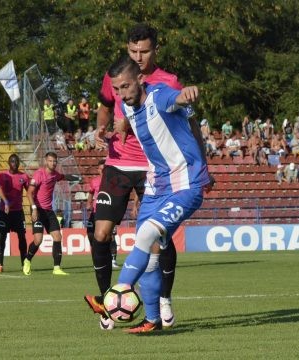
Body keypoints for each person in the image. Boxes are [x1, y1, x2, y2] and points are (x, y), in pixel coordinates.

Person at [86, 23, 187, 331]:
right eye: (133, 51)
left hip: (153, 168)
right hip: (117, 163)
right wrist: (100, 128)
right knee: (100, 233)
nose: (139, 57)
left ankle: (163, 298)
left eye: (144, 51)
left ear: (155, 49)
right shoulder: (114, 76)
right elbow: (105, 105)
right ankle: (108, 301)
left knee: (158, 237)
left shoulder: (168, 81)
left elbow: (178, 121)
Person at [105, 55, 210, 332]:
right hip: (155, 185)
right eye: (116, 89)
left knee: (147, 234)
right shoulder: (126, 107)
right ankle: (152, 320)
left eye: (126, 87)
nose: (121, 94)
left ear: (141, 80)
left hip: (186, 183)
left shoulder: (159, 95)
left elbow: (177, 99)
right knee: (149, 255)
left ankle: (118, 290)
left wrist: (186, 95)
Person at [23, 152, 80, 276]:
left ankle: (56, 268)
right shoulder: (39, 174)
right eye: (50, 161)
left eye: (54, 161)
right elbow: (29, 193)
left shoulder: (55, 175)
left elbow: (63, 177)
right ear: (45, 161)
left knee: (57, 237)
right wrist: (33, 209)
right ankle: (27, 260)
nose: (53, 163)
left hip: (49, 211)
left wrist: (77, 177)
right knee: (38, 240)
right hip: (37, 209)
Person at [0, 154, 30, 273]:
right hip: (4, 212)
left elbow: (30, 192)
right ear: (9, 163)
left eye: (16, 161)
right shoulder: (2, 175)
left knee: (22, 237)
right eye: (12, 161)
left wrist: (33, 206)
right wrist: (5, 202)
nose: (15, 163)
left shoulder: (24, 177)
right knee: (3, 237)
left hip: (18, 212)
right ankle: (0, 265)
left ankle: (24, 264)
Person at [86, 160, 120, 269]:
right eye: (100, 169)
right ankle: (97, 259)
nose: (102, 171)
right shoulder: (94, 181)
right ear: (98, 170)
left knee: (111, 237)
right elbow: (91, 193)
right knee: (91, 235)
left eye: (104, 169)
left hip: (108, 213)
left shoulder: (112, 182)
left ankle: (113, 259)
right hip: (95, 212)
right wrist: (89, 203)